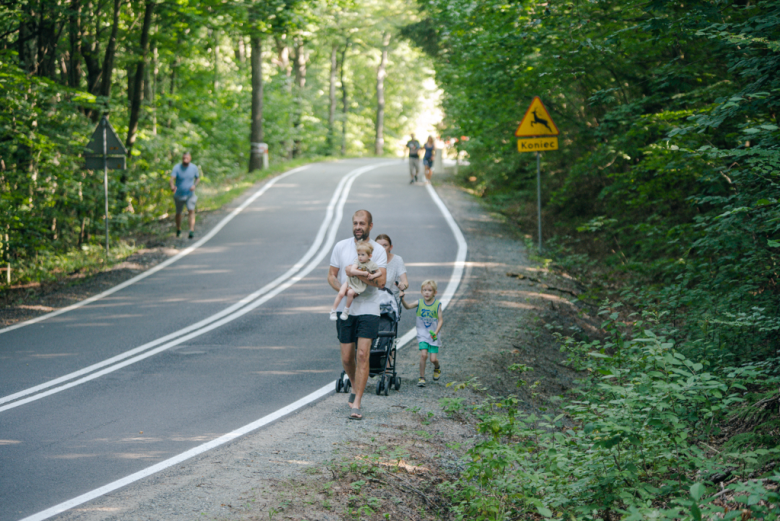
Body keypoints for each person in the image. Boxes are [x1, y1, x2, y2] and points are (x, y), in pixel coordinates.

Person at [328, 210, 387, 420]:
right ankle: (354, 385)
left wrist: (358, 277)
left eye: (362, 223)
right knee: (347, 357)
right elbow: (332, 276)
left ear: (370, 226)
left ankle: (358, 402)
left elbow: (381, 282)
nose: (358, 227)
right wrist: (344, 289)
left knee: (362, 354)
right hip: (348, 309)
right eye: (355, 223)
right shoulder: (341, 247)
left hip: (369, 308)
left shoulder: (377, 251)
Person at [400, 280, 443, 387]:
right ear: (421, 291)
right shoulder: (419, 302)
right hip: (422, 334)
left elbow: (441, 320)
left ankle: (437, 367)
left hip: (433, 335)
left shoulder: (437, 304)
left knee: (433, 359)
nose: (427, 293)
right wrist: (402, 300)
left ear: (434, 293)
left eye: (430, 290)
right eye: (425, 290)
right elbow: (408, 307)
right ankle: (422, 377)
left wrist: (436, 333)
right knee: (424, 355)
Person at [330, 241, 381, 321]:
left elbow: (379, 272)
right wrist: (364, 273)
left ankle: (346, 310)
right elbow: (353, 270)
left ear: (369, 256)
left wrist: (373, 276)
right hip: (350, 280)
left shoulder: (372, 265)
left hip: (359, 284)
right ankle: (333, 310)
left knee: (350, 293)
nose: (360, 257)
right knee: (341, 293)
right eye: (358, 254)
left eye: (362, 255)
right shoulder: (357, 261)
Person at [169, 152, 200, 239]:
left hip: (190, 195)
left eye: (186, 158)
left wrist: (194, 185)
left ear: (190, 158)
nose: (185, 160)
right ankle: (178, 229)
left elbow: (198, 178)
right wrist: (172, 187)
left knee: (191, 211)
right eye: (183, 158)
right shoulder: (177, 167)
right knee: (179, 213)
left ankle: (191, 230)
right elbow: (171, 179)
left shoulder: (194, 168)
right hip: (179, 195)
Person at [374, 234, 408, 307]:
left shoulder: (397, 260)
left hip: (391, 305)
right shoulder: (370, 261)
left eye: (385, 245)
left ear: (390, 247)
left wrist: (403, 285)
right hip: (374, 303)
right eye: (378, 246)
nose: (382, 248)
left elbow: (405, 282)